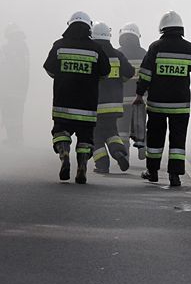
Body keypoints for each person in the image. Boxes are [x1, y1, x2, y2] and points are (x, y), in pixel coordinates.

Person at [134, 11, 191, 187]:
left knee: (155, 138)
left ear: (162, 28)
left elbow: (145, 73)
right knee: (178, 140)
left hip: (157, 105)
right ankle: (175, 175)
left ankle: (152, 172)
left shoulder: (155, 47)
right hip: (180, 106)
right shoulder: (189, 49)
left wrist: (139, 94)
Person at [44, 11, 111, 184]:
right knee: (85, 137)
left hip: (63, 103)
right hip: (87, 105)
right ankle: (82, 165)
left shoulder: (59, 45)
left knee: (61, 132)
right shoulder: (96, 48)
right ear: (89, 28)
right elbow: (105, 72)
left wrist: (62, 76)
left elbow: (49, 68)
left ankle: (64, 153)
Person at [90, 22, 135, 174]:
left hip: (95, 105)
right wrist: (119, 80)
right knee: (112, 132)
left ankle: (102, 164)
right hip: (114, 106)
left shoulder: (92, 54)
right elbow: (129, 72)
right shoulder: (117, 54)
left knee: (95, 136)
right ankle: (119, 153)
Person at [0, 23, 29, 145]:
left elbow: (2, 71)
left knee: (9, 115)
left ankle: (13, 139)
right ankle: (17, 138)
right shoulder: (24, 50)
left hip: (7, 90)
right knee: (17, 115)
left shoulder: (5, 50)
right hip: (20, 89)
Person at [116, 23, 147, 160]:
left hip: (122, 100)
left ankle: (125, 154)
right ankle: (142, 146)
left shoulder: (118, 53)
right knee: (140, 125)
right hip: (141, 99)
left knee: (122, 129)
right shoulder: (144, 54)